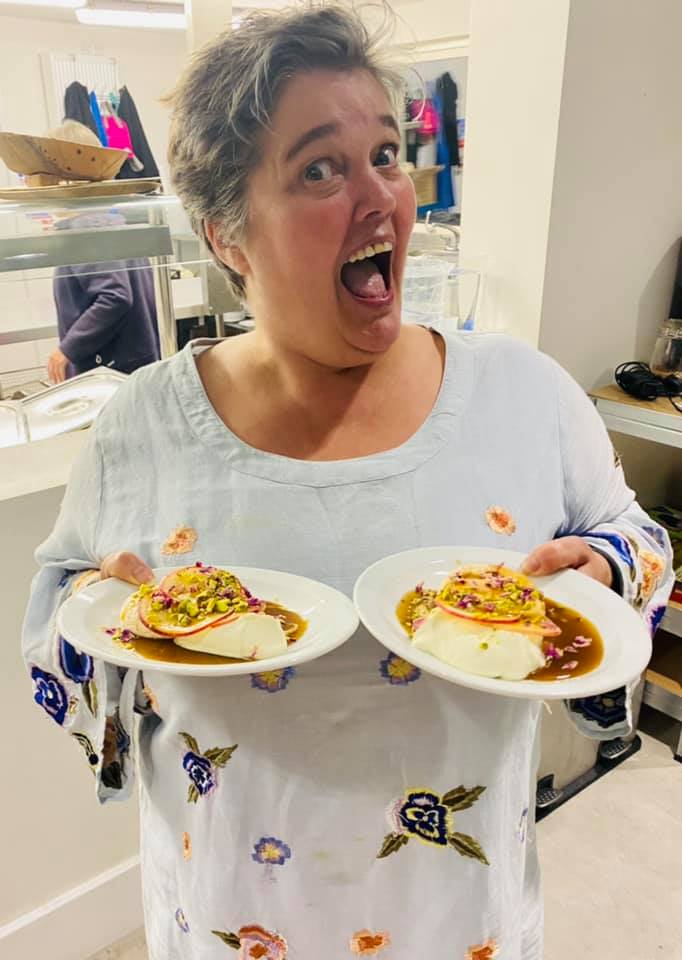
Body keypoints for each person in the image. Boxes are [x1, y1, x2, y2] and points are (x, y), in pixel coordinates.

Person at [23, 7, 673, 959]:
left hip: (458, 920)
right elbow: (60, 620)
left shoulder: (520, 394)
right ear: (229, 238)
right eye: (320, 168)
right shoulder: (144, 427)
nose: (380, 195)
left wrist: (604, 571)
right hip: (231, 916)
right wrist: (101, 622)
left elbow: (640, 541)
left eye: (385, 153)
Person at [45, 122, 160, 383]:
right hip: (130, 365)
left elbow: (115, 296)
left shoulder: (86, 227)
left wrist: (67, 349)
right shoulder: (108, 220)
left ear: (62, 175)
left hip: (109, 370)